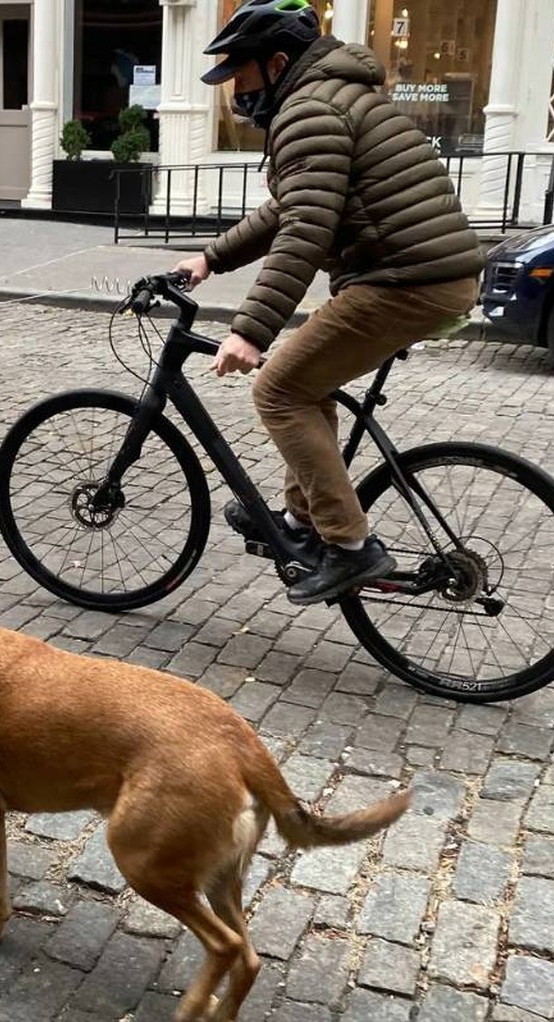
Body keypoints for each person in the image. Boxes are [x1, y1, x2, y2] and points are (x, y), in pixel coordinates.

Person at [175, 0, 484, 606]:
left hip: (404, 280)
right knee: (306, 383)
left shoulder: (309, 109)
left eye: (240, 73)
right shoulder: (333, 95)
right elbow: (288, 207)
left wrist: (251, 330)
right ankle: (302, 519)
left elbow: (305, 229)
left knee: (278, 389)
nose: (235, 90)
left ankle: (350, 545)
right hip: (425, 274)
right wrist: (210, 258)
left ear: (277, 64)